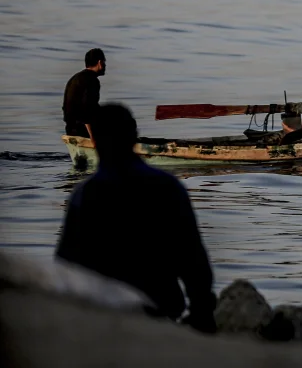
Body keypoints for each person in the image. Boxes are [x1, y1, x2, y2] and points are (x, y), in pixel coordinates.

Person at [56, 104, 216, 330]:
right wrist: (201, 310)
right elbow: (193, 259)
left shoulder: (85, 196)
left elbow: (65, 266)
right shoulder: (167, 188)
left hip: (100, 314)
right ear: (134, 136)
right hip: (161, 307)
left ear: (94, 141)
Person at [63, 47, 106, 136]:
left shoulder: (74, 78)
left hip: (70, 129)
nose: (105, 65)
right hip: (82, 130)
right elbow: (87, 111)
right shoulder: (92, 81)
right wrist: (93, 138)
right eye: (104, 62)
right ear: (100, 63)